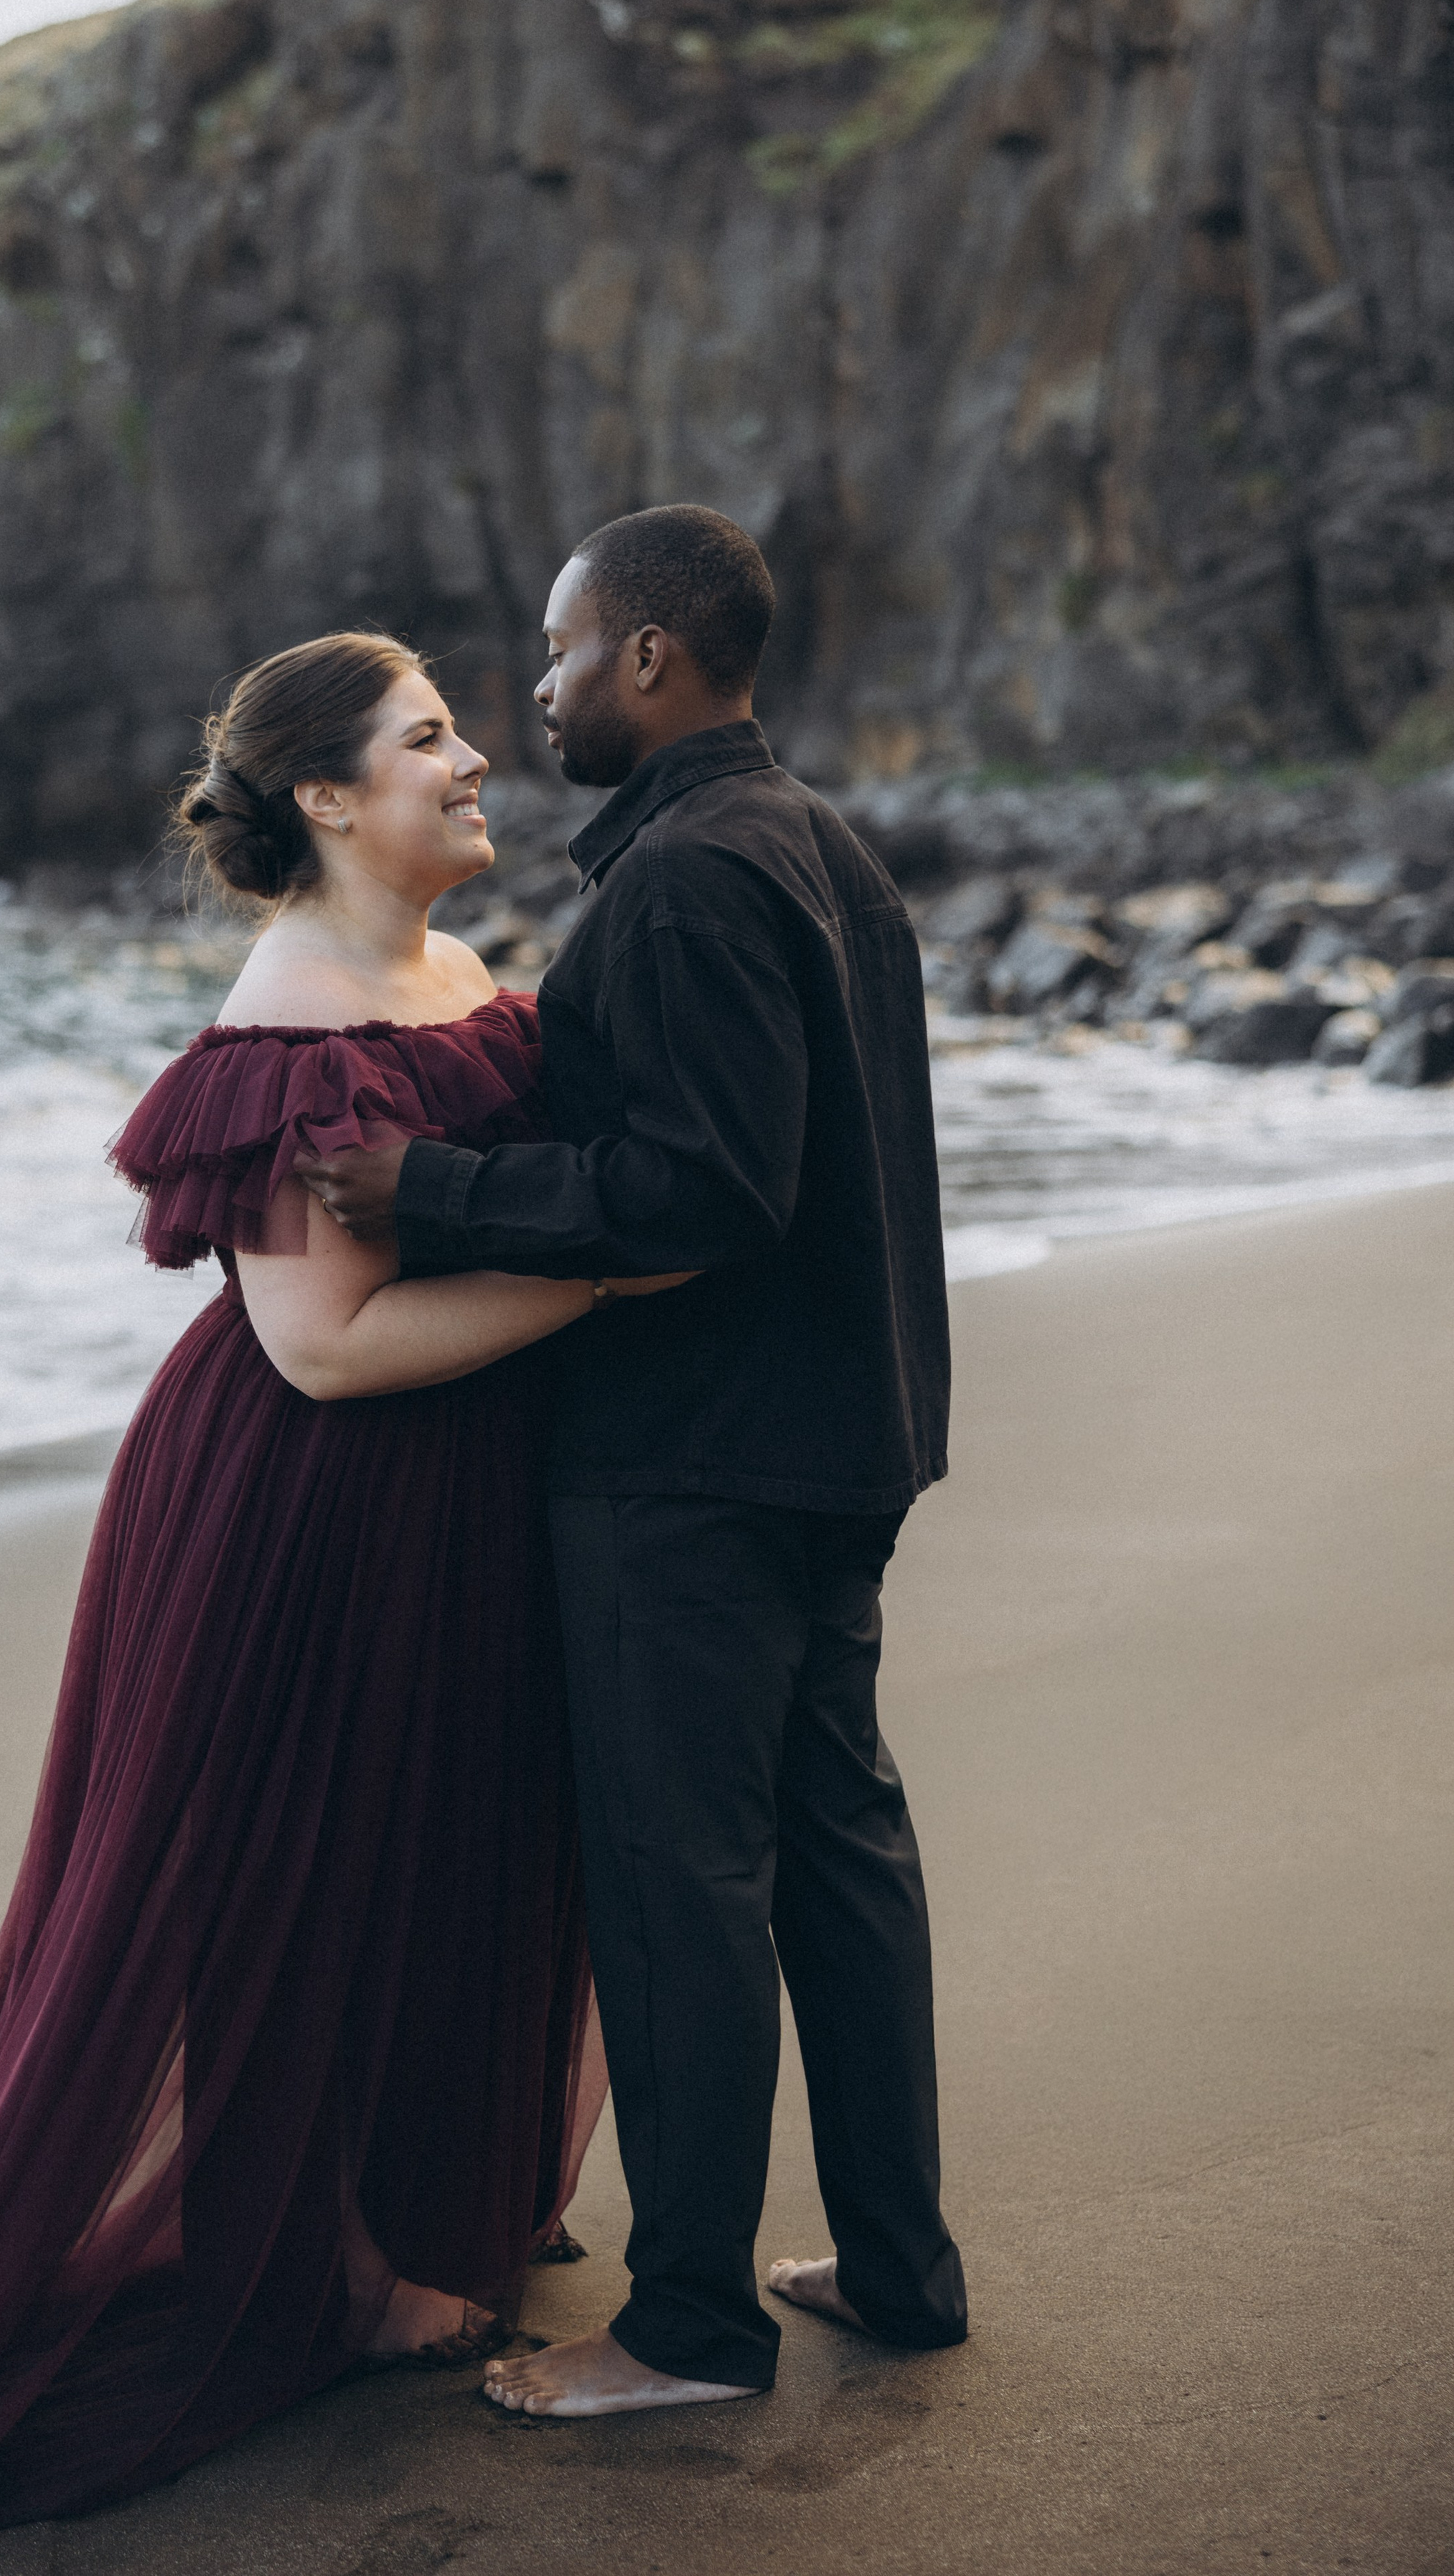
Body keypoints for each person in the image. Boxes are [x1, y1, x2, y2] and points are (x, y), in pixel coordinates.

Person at [0, 632, 676, 2573]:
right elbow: (328, 1351)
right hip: (304, 1513)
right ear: (333, 802)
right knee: (299, 1877)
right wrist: (617, 1287)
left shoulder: (455, 976)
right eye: (428, 739)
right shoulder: (286, 1031)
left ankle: (412, 2208)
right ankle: (340, 2275)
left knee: (440, 1849)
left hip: (450, 1497)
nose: (474, 760)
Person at [299, 507, 970, 2420]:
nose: (538, 686)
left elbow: (705, 1190)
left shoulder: (685, 881)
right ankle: (903, 2270)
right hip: (844, 1436)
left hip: (695, 1461)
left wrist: (426, 1186)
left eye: (562, 646)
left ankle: (687, 2328)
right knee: (842, 1856)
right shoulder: (822, 847)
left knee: (681, 1886)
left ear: (654, 661)